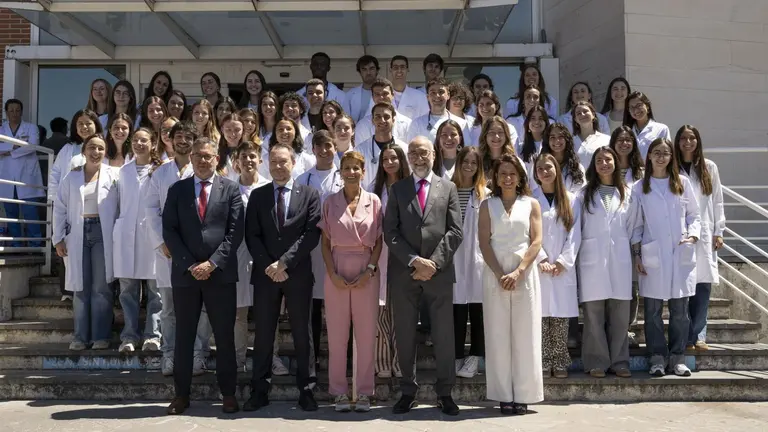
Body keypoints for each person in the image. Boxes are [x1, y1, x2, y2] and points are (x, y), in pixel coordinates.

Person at [163, 137, 243, 415]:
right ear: (191, 157)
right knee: (184, 337)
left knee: (224, 337)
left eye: (208, 156)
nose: (202, 160)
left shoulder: (231, 190)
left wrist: (211, 263)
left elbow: (235, 233)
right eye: (198, 155)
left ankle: (229, 394)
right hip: (186, 276)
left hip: (219, 275)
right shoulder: (177, 190)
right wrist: (189, 264)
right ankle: (181, 395)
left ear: (216, 159)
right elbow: (169, 231)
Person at [383, 136, 463, 416]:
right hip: (405, 274)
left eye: (424, 152)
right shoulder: (397, 189)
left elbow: (455, 231)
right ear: (408, 156)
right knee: (405, 334)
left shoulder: (448, 187)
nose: (419, 157)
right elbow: (389, 232)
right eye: (414, 152)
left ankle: (445, 393)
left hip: (438, 275)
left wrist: (433, 263)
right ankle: (408, 391)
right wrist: (415, 261)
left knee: (444, 335)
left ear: (434, 154)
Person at [243, 143, 322, 412]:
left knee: (303, 333)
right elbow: (251, 234)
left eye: (283, 161)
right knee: (264, 334)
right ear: (268, 163)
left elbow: (311, 234)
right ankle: (259, 390)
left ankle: (307, 390)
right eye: (274, 161)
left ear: (293, 162)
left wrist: (284, 263)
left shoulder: (310, 194)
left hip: (297, 272)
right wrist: (269, 265)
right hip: (266, 275)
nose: (278, 166)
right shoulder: (258, 195)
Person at [478, 153, 543, 415]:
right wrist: (499, 273)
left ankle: (524, 394)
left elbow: (536, 241)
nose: (507, 178)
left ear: (520, 177)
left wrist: (518, 271)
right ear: (495, 177)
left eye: (512, 173)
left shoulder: (531, 204)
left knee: (525, 335)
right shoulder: (487, 205)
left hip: (524, 275)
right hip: (495, 275)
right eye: (502, 173)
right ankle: (503, 394)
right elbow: (484, 242)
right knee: (497, 335)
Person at [145, 121, 211, 377]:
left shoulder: (203, 171)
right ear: (170, 140)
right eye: (178, 136)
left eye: (188, 137)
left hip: (198, 253)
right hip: (169, 253)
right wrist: (161, 242)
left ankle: (199, 354)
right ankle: (169, 354)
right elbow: (150, 209)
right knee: (170, 308)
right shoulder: (160, 174)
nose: (183, 141)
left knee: (202, 308)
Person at [319, 151, 383, 413]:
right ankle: (339, 392)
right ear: (340, 171)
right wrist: (332, 272)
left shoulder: (374, 201)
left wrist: (370, 269)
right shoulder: (330, 202)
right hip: (337, 267)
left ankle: (365, 392)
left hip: (365, 269)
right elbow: (324, 241)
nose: (351, 172)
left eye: (356, 168)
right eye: (347, 167)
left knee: (366, 335)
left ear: (363, 171)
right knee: (336, 335)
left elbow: (379, 241)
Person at [632, 138, 701, 377]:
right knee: (652, 313)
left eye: (665, 153)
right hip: (653, 256)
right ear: (648, 156)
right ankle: (657, 358)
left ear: (672, 157)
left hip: (680, 254)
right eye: (656, 153)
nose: (661, 157)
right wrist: (638, 255)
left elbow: (695, 215)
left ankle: (678, 358)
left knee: (680, 312)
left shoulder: (682, 183)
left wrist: (692, 236)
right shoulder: (640, 187)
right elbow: (636, 226)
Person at [52, 134, 118, 351]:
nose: (96, 152)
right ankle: (80, 337)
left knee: (101, 287)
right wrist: (58, 238)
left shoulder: (114, 175)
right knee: (80, 287)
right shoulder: (71, 178)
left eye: (100, 148)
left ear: (105, 151)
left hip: (102, 232)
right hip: (78, 232)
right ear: (84, 151)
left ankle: (100, 336)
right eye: (91, 147)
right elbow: (60, 208)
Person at [578, 146, 638, 379]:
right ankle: (596, 362)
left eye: (608, 159)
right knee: (593, 316)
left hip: (620, 260)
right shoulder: (583, 195)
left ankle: (620, 361)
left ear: (616, 163)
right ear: (594, 165)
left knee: (620, 316)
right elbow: (578, 228)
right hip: (592, 259)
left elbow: (634, 227)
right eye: (600, 160)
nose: (604, 163)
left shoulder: (629, 193)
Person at [296, 131, 344, 381]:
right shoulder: (303, 179)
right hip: (312, 249)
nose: (324, 150)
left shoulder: (345, 175)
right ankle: (312, 358)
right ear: (312, 149)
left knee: (339, 306)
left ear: (336, 147)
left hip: (341, 247)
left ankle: (342, 358)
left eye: (328, 145)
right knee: (313, 305)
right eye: (319, 146)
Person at [674, 125, 726, 352]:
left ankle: (699, 335)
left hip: (704, 233)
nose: (687, 142)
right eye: (683, 138)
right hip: (680, 234)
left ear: (698, 141)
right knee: (684, 289)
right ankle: (685, 337)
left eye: (692, 138)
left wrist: (719, 231)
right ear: (677, 141)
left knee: (703, 287)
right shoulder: (672, 167)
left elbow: (717, 200)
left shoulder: (709, 167)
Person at [115, 127, 164, 354]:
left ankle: (152, 336)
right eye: (135, 140)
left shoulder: (160, 170)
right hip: (126, 237)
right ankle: (129, 336)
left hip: (152, 237)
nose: (139, 144)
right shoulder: (123, 172)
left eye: (144, 140)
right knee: (128, 292)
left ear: (153, 144)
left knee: (156, 292)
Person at [533, 153, 581, 379]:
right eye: (540, 168)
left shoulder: (572, 200)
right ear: (535, 173)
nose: (545, 171)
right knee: (541, 315)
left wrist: (563, 261)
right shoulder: (531, 199)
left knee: (560, 316)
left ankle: (560, 360)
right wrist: (541, 258)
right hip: (539, 267)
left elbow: (575, 234)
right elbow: (529, 234)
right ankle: (543, 359)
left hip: (562, 269)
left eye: (548, 167)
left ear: (557, 170)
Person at [370, 142, 410, 379]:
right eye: (385, 159)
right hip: (379, 254)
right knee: (380, 311)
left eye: (394, 158)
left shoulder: (411, 188)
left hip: (403, 254)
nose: (389, 163)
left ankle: (400, 362)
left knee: (401, 312)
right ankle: (383, 361)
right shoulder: (375, 190)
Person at [451, 146, 489, 379]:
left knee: (478, 308)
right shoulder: (447, 189)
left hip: (478, 258)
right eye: (465, 161)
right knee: (455, 309)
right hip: (453, 256)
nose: (469, 166)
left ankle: (475, 356)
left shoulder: (486, 193)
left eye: (474, 163)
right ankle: (455, 357)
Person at [233, 140, 271, 371]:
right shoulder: (228, 188)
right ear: (237, 162)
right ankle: (238, 360)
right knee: (239, 313)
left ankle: (271, 358)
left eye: (252, 156)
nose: (248, 160)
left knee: (268, 311)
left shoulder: (268, 187)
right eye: (244, 156)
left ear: (260, 160)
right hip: (238, 256)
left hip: (265, 255)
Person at [0, 99, 44, 247]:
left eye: (17, 110)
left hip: (27, 177)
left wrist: (9, 150)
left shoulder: (31, 128)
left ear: (21, 111)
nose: (14, 113)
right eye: (11, 110)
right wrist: (16, 146)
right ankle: (17, 246)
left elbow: (32, 146)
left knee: (30, 214)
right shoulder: (2, 129)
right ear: (6, 112)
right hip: (7, 177)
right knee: (11, 214)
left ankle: (35, 246)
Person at [358, 103, 408, 190]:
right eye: (378, 117)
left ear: (393, 120)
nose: (382, 120)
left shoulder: (404, 148)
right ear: (372, 120)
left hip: (399, 197)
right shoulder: (360, 150)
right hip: (368, 199)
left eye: (386, 117)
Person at [407, 77, 470, 145]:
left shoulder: (461, 123)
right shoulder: (417, 124)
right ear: (428, 97)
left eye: (441, 92)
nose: (437, 96)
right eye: (433, 93)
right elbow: (411, 149)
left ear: (448, 95)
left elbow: (466, 149)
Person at [354, 78, 412, 144]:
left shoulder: (408, 124)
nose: (381, 97)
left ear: (393, 95)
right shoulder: (362, 126)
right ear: (372, 97)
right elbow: (359, 153)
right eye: (377, 94)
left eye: (385, 93)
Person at [623, 91, 670, 159]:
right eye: (632, 107)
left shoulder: (661, 129)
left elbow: (666, 153)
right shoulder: (626, 131)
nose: (636, 110)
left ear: (647, 106)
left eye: (639, 105)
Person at [388, 55, 429, 120]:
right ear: (390, 70)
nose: (399, 71)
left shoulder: (420, 97)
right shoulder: (382, 96)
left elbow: (425, 121)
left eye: (402, 67)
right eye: (395, 67)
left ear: (407, 69)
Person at [572, 101, 610, 168]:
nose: (582, 114)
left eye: (585, 111)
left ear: (593, 114)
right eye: (578, 113)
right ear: (575, 119)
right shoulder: (571, 142)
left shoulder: (607, 140)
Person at [344, 55, 380, 123]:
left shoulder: (385, 94)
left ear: (377, 71)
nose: (368, 72)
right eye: (364, 69)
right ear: (359, 72)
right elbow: (346, 120)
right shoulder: (350, 95)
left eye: (371, 68)